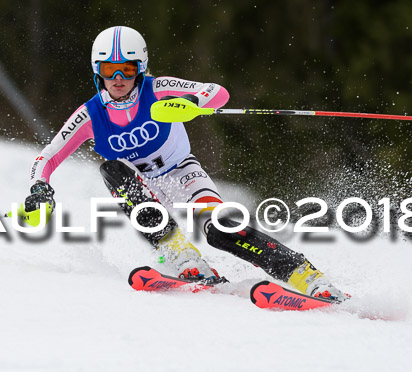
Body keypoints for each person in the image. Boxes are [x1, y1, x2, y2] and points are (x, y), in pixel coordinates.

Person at [23, 26, 348, 302]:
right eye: (109, 71)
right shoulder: (90, 114)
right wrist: (40, 187)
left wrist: (191, 103)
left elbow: (217, 94)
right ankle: (182, 256)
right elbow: (48, 156)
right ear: (98, 73)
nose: (119, 78)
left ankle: (307, 277)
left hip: (182, 173)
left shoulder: (159, 89)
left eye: (128, 69)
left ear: (141, 68)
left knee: (221, 229)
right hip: (142, 188)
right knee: (112, 169)